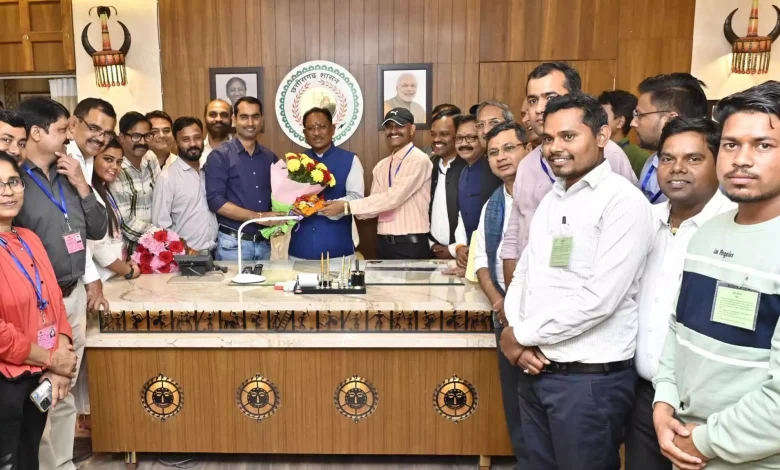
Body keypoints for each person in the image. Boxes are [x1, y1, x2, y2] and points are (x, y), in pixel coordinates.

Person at [500, 93, 653, 470]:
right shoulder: (553, 199)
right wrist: (516, 331)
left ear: (602, 136)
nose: (555, 147)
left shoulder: (623, 202)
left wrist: (520, 336)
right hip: (536, 371)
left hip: (587, 383)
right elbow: (525, 273)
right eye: (548, 138)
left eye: (568, 136)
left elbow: (599, 299)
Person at [653, 81, 780, 470]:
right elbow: (678, 330)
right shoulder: (707, 233)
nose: (742, 160)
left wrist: (705, 441)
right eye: (730, 145)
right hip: (685, 443)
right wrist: (664, 401)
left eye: (763, 145)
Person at [625, 117, 735, 470]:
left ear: (718, 163)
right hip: (643, 396)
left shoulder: (734, 227)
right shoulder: (642, 220)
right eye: (667, 158)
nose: (677, 169)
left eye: (693, 159)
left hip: (708, 406)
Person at [14, 97, 108, 470]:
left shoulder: (70, 172)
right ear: (37, 133)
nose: (69, 137)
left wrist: (82, 184)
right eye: (62, 129)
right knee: (41, 393)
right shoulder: (14, 181)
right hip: (38, 306)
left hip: (73, 296)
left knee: (65, 386)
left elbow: (97, 228)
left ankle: (64, 462)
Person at [500, 61, 637, 286]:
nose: (539, 108)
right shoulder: (526, 164)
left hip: (587, 292)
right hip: (531, 289)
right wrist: (512, 297)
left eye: (550, 97)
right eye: (532, 100)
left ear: (574, 98)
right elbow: (514, 234)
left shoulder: (608, 154)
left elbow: (629, 236)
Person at [0, 151, 77, 470]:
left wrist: (61, 356)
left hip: (37, 376)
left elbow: (54, 300)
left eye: (13, 181)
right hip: (6, 383)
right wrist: (50, 359)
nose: (7, 191)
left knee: (29, 457)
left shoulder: (29, 238)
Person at [473, 122, 530, 469]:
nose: (501, 157)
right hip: (504, 313)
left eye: (509, 148)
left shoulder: (547, 197)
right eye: (493, 152)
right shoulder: (492, 205)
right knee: (514, 400)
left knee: (540, 400)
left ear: (528, 149)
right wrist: (499, 301)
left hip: (538, 315)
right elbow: (481, 261)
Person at [347, 108, 433, 259]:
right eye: (389, 126)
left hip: (410, 245)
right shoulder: (381, 166)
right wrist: (342, 209)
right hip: (383, 244)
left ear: (412, 129)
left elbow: (393, 198)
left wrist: (347, 207)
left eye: (400, 126)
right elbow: (375, 204)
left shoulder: (418, 159)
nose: (393, 131)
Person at [205, 97, 283, 261]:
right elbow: (216, 202)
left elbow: (280, 196)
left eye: (255, 117)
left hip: (265, 244)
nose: (250, 123)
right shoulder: (219, 156)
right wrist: (259, 217)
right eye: (244, 117)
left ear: (262, 120)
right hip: (233, 246)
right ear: (234, 119)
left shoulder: (270, 157)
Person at [292, 108, 364, 259]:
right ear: (305, 133)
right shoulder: (296, 163)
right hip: (301, 247)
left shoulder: (350, 160)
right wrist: (292, 208)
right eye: (311, 128)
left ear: (333, 129)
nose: (316, 133)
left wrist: (327, 207)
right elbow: (286, 200)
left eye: (322, 127)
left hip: (338, 249)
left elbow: (357, 198)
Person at [632, 73, 708, 204]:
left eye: (640, 115)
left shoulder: (707, 171)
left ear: (670, 120)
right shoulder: (653, 160)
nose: (633, 123)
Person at [152, 117, 218, 253]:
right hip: (186, 257)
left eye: (197, 138)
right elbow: (160, 226)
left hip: (215, 252)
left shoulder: (209, 171)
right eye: (185, 139)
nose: (193, 144)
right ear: (176, 142)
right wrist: (183, 251)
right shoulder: (167, 178)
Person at [449, 114, 502, 268]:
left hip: (494, 258)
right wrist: (460, 246)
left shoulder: (495, 170)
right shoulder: (464, 171)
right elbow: (462, 214)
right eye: (459, 138)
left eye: (470, 138)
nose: (464, 143)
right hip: (472, 258)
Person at [89, 138, 141, 281]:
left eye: (119, 162)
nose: (115, 167)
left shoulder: (104, 189)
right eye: (108, 159)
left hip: (113, 273)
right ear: (93, 158)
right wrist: (127, 271)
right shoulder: (89, 192)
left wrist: (123, 266)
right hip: (101, 277)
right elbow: (97, 246)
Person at [110, 112, 161, 255]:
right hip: (129, 253)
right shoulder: (115, 168)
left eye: (147, 136)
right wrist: (160, 236)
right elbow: (125, 220)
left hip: (157, 249)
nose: (143, 142)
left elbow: (161, 197)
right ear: (121, 137)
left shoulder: (151, 158)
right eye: (136, 136)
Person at [428, 109, 466, 259]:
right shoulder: (428, 166)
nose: (436, 139)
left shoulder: (467, 168)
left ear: (457, 136)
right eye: (433, 134)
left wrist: (452, 249)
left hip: (462, 255)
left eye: (444, 134)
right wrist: (431, 244)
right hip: (430, 251)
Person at [598, 90, 651, 177]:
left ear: (620, 122)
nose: (596, 119)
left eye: (603, 115)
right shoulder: (596, 149)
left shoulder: (638, 156)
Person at [66, 98, 117, 182]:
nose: (101, 139)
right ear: (73, 124)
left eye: (107, 133)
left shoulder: (89, 157)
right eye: (94, 128)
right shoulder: (64, 158)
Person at [200, 99, 233, 168]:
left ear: (231, 119)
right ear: (205, 118)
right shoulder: (197, 151)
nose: (218, 119)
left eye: (224, 115)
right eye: (213, 115)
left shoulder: (242, 150)